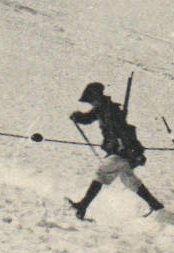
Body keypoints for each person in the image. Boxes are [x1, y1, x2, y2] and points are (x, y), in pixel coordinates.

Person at [68, 81, 164, 219]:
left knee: (101, 174)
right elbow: (88, 118)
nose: (92, 104)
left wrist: (129, 149)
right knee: (129, 180)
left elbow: (122, 131)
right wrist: (78, 117)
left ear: (96, 98)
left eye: (91, 101)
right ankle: (156, 205)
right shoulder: (103, 109)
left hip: (121, 150)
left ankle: (83, 205)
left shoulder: (107, 110)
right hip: (124, 151)